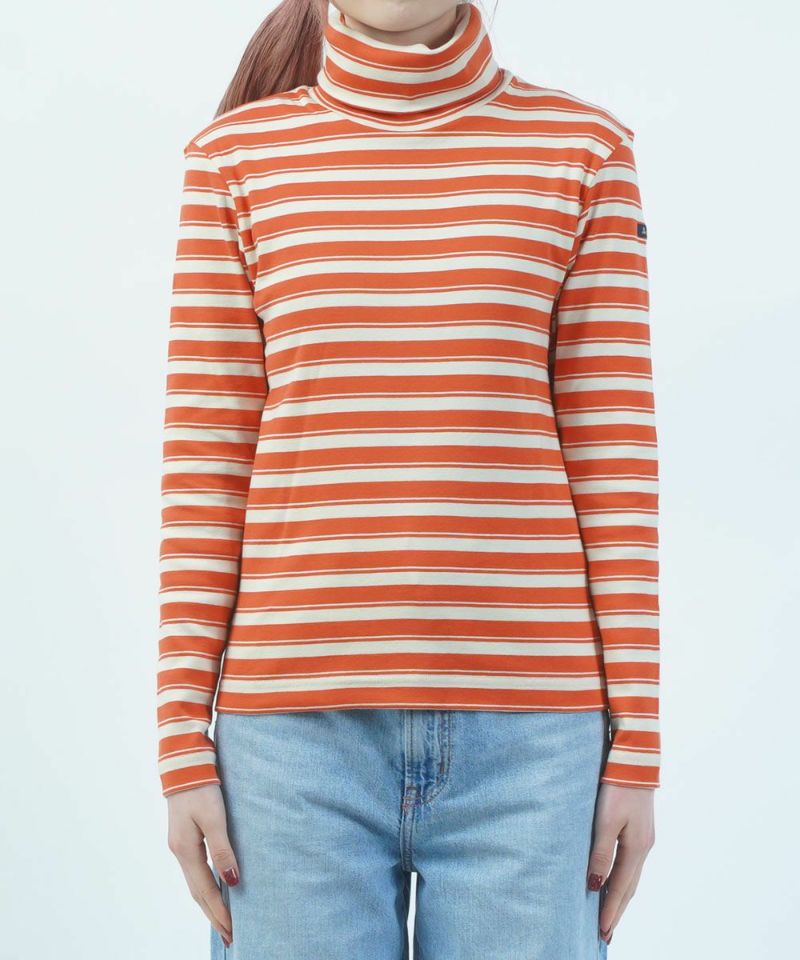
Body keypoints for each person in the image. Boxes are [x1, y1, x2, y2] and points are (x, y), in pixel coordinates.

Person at [156, 1, 660, 956]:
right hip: (290, 754)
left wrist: (637, 742)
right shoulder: (233, 163)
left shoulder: (585, 154)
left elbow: (616, 465)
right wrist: (183, 739)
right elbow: (206, 464)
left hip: (535, 753)